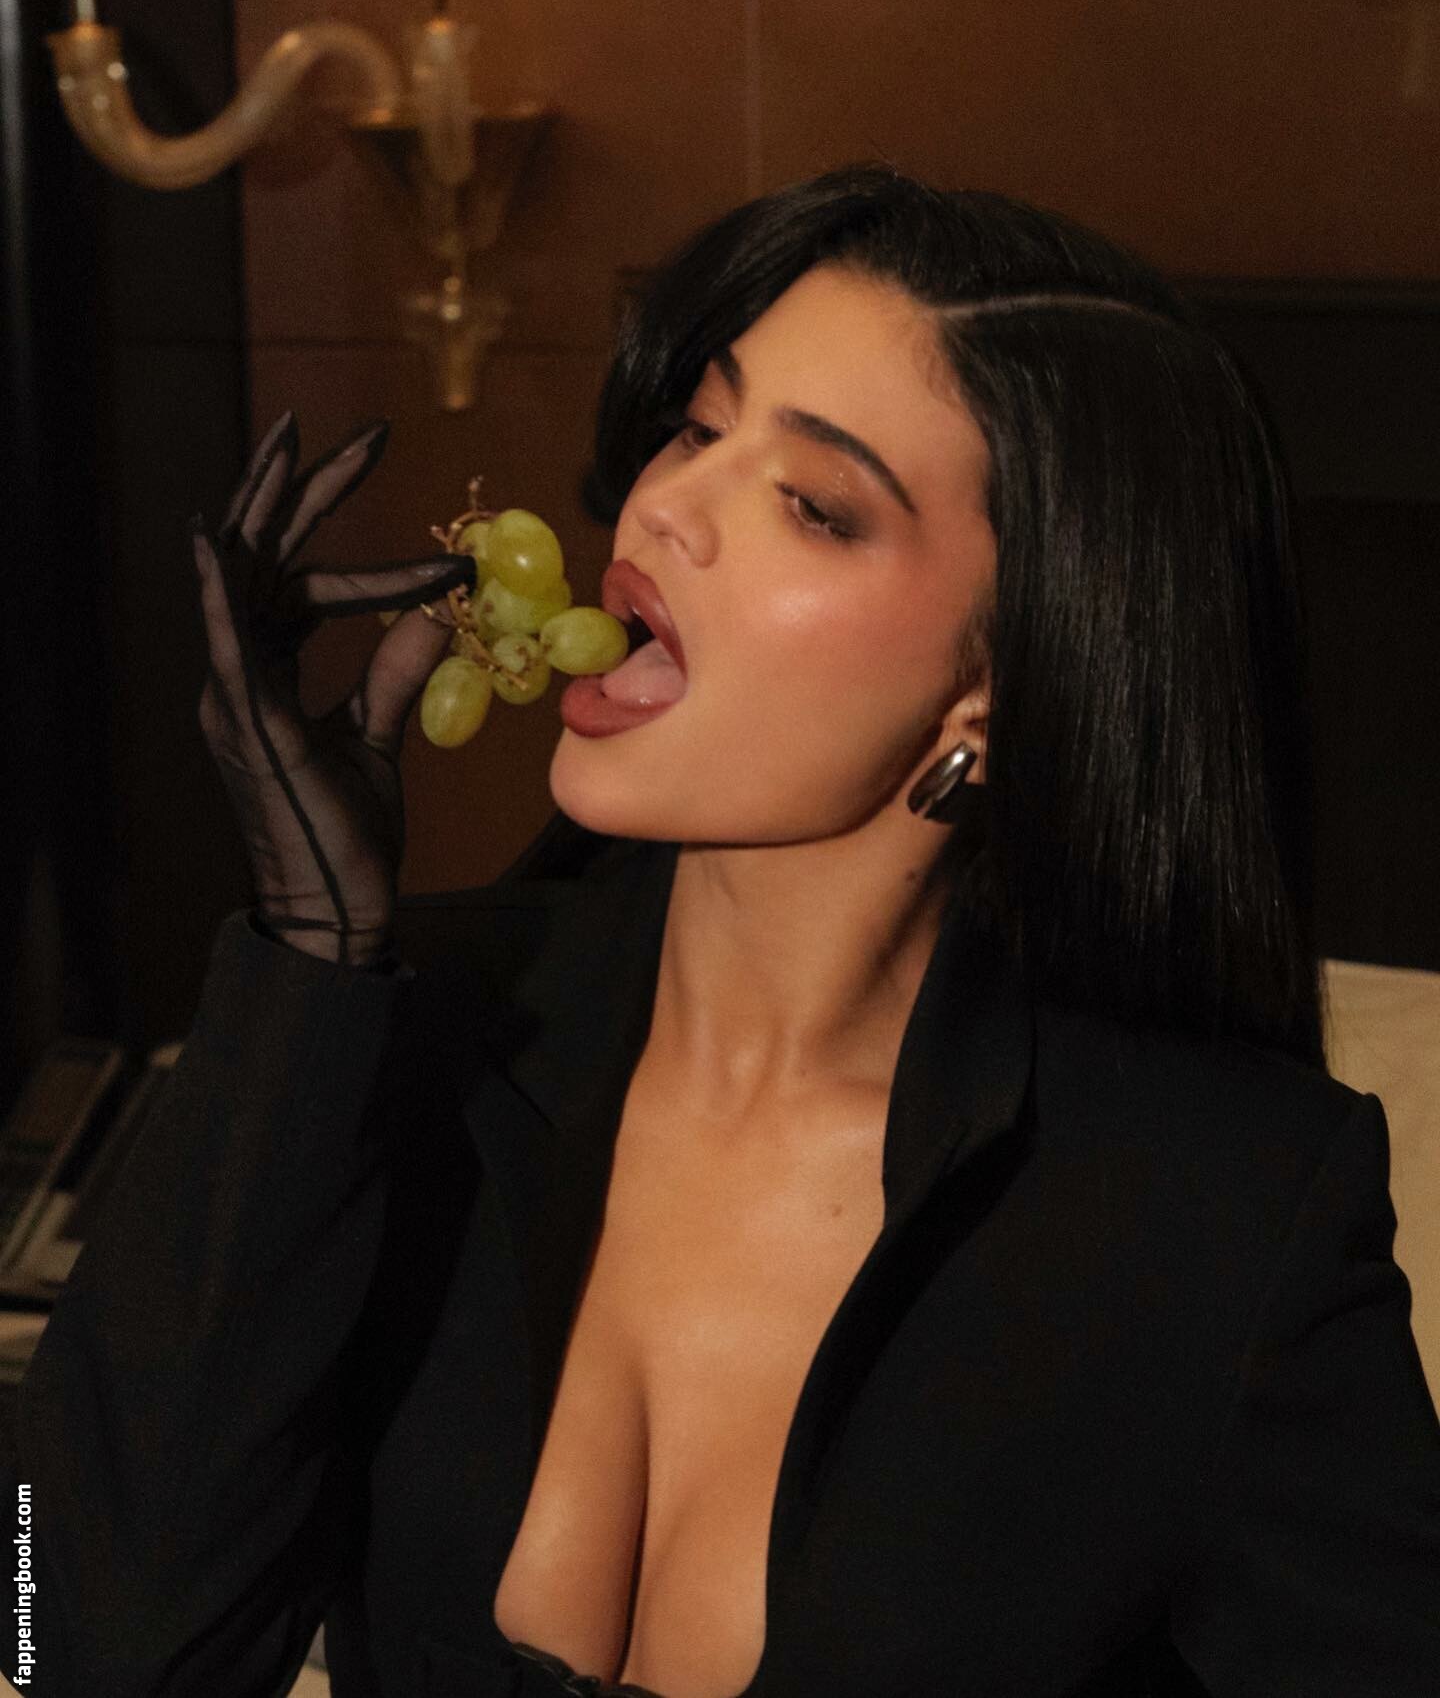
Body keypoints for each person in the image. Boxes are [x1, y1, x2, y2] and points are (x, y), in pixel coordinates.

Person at [16, 164, 1440, 1698]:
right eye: (700, 427)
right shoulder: (406, 1038)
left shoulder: (1218, 1213)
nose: (666, 507)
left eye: (814, 506)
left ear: (1001, 686)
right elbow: (75, 1645)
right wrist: (306, 963)